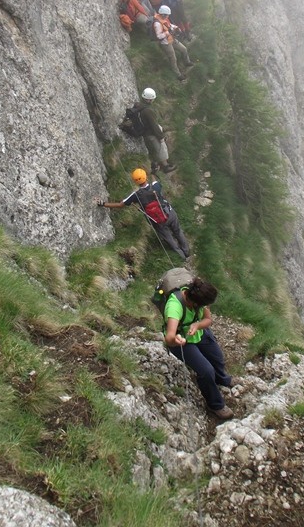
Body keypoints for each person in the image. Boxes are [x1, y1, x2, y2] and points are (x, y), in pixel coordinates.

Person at [164, 277, 235, 421]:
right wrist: (177, 340)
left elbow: (208, 320)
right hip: (182, 341)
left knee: (217, 357)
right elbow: (169, 337)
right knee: (206, 371)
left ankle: (223, 379)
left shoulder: (199, 298)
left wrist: (197, 326)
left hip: (197, 332)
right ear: (195, 303)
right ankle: (216, 405)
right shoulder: (174, 306)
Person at [97, 168, 190, 260]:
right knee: (177, 231)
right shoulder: (155, 186)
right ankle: (186, 251)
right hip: (169, 214)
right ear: (146, 177)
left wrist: (103, 203)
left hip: (157, 222)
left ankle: (181, 257)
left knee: (169, 239)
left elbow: (120, 204)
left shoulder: (136, 195)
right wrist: (152, 173)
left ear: (135, 181)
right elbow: (155, 181)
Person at [136, 87, 176, 174]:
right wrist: (161, 137)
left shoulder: (138, 106)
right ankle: (165, 167)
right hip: (150, 134)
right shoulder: (148, 111)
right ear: (150, 100)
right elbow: (154, 125)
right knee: (160, 148)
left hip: (144, 133)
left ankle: (155, 166)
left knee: (152, 150)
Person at [153, 5, 194, 81]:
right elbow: (159, 36)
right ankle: (178, 74)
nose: (168, 16)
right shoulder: (157, 24)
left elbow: (169, 25)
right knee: (173, 58)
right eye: (167, 15)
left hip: (171, 39)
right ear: (163, 14)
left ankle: (187, 62)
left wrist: (176, 27)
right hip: (165, 43)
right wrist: (168, 33)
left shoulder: (165, 18)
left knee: (184, 49)